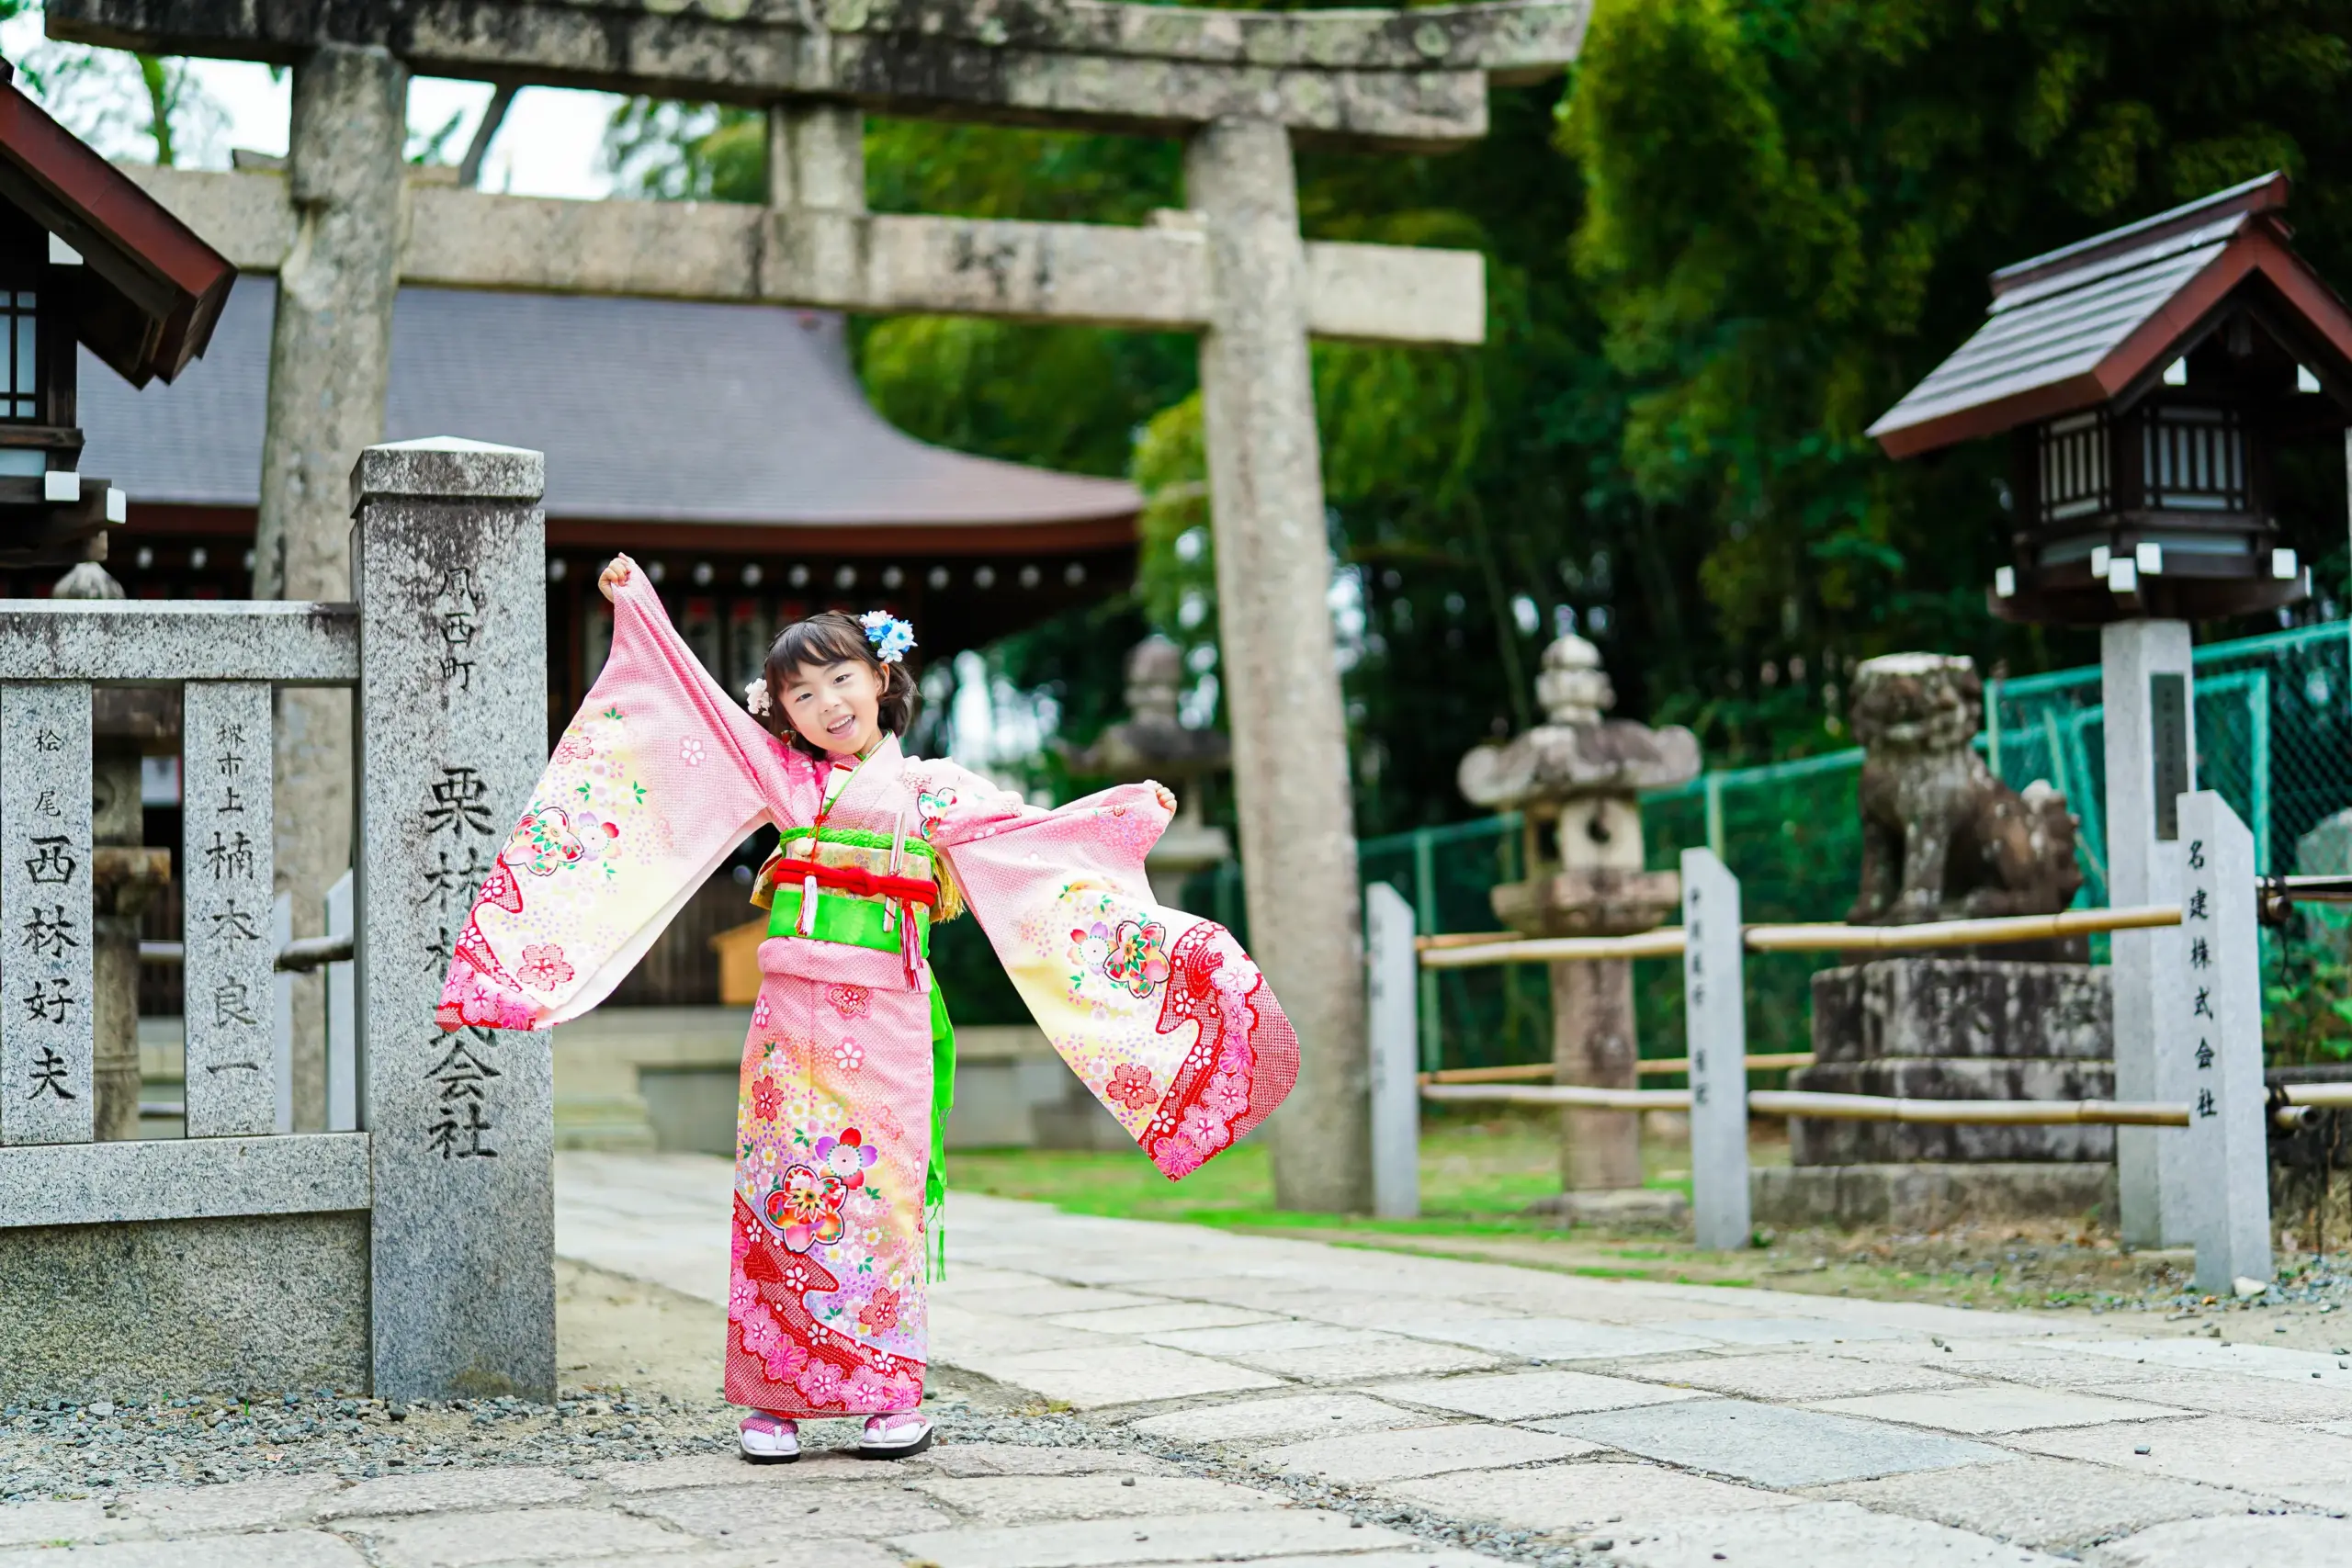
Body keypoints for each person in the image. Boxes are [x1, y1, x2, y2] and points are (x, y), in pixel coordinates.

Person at [435, 554, 1297, 1462]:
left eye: (840, 678)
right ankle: (773, 1401)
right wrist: (638, 606)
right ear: (784, 713)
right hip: (787, 1025)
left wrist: (1121, 810)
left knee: (877, 1200)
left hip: (883, 1019)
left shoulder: (931, 791)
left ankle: (888, 1394)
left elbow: (1028, 836)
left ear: (882, 680)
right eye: (801, 694)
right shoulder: (788, 781)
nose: (827, 704)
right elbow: (695, 710)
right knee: (776, 1193)